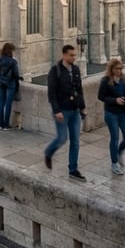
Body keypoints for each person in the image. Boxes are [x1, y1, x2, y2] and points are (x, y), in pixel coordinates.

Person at [45, 44, 87, 181]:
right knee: (62, 138)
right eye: (71, 55)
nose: (74, 57)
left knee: (75, 141)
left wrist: (82, 107)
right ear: (64, 55)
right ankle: (48, 152)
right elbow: (51, 93)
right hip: (62, 110)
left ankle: (73, 169)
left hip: (74, 110)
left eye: (75, 55)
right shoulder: (55, 71)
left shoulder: (75, 69)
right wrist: (56, 111)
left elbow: (79, 89)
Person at [98, 58, 125, 175]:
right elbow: (101, 96)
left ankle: (119, 153)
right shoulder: (105, 80)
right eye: (117, 69)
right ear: (112, 69)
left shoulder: (124, 78)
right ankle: (114, 163)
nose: (120, 71)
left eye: (121, 68)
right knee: (114, 138)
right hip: (111, 113)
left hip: (123, 112)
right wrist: (115, 100)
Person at [0, 42, 21, 130]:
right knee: (8, 103)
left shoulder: (0, 59)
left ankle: (1, 124)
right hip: (10, 83)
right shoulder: (13, 61)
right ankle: (6, 124)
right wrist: (19, 78)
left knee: (1, 102)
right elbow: (16, 73)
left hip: (1, 82)